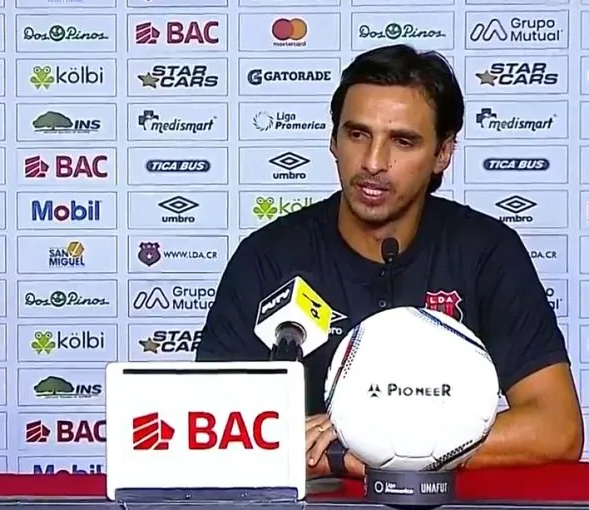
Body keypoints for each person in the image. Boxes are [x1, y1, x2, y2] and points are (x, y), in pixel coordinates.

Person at [196, 44, 583, 478]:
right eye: (357, 134)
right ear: (333, 140)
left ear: (443, 152)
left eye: (403, 141)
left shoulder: (486, 251)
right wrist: (334, 456)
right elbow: (208, 432)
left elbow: (557, 428)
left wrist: (378, 447)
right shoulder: (267, 258)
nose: (373, 162)